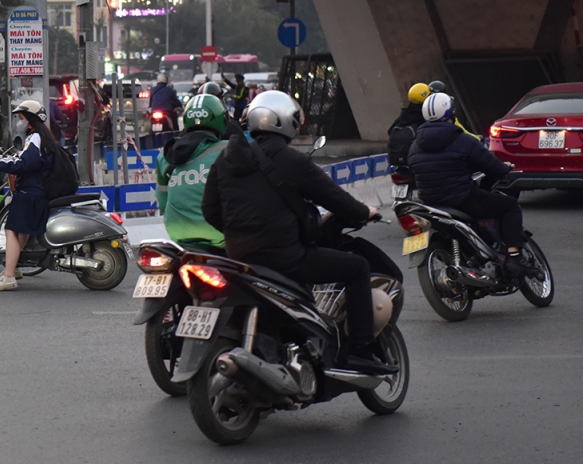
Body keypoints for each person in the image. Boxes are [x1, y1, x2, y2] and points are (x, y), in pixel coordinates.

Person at [201, 91, 392, 375]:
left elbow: (210, 210)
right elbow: (334, 198)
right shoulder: (290, 159)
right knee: (357, 268)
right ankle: (360, 352)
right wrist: (365, 213)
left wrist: (240, 232)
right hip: (285, 257)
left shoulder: (226, 159)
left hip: (239, 256)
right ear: (284, 122)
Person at [408, 93, 535, 273]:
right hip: (462, 200)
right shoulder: (462, 139)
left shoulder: (414, 145)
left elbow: (414, 174)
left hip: (430, 203)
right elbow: (491, 165)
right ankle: (515, 256)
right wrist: (504, 168)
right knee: (509, 206)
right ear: (450, 113)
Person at [0, 100, 56, 292]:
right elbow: (21, 159)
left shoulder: (35, 138)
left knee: (11, 230)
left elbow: (25, 164)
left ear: (30, 119)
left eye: (22, 118)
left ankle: (8, 277)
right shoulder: (41, 137)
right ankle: (13, 268)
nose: (20, 122)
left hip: (31, 192)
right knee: (21, 231)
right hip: (37, 191)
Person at [155, 95, 228, 249]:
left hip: (178, 234)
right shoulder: (228, 150)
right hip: (218, 234)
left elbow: (162, 204)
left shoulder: (165, 156)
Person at [387, 83, 430, 168]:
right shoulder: (426, 117)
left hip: (398, 164)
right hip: (420, 162)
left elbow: (390, 131)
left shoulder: (405, 115)